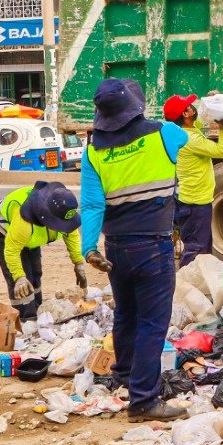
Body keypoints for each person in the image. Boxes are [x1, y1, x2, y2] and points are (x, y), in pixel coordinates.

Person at [79, 78, 188, 421]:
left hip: (115, 249)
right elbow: (186, 133)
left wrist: (88, 249)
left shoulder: (94, 150)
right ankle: (143, 400)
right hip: (152, 246)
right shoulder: (163, 134)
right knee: (153, 324)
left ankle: (123, 374)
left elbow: (93, 205)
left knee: (125, 313)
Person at [0, 181, 85, 321]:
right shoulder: (25, 221)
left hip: (30, 236)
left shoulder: (61, 212)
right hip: (0, 231)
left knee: (36, 272)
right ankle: (26, 319)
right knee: (22, 277)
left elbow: (72, 235)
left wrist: (78, 263)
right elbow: (11, 251)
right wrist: (19, 277)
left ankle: (38, 311)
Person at [162, 93, 223, 266]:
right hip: (195, 203)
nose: (192, 106)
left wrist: (209, 102)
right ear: (186, 115)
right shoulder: (191, 139)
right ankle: (188, 284)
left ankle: (195, 283)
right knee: (196, 250)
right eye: (189, 105)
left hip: (193, 200)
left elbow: (201, 119)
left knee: (201, 249)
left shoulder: (186, 130)